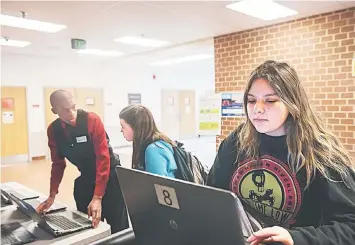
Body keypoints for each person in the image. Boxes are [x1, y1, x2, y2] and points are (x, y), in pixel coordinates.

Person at [207, 60, 355, 245]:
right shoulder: (237, 140)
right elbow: (212, 194)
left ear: (292, 102)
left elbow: (350, 227)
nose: (257, 109)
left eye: (270, 100)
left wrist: (295, 238)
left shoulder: (320, 152)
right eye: (251, 100)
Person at [36, 90, 129, 234]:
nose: (72, 113)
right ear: (55, 110)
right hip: (87, 176)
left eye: (73, 107)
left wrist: (98, 197)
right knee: (87, 220)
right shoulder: (53, 130)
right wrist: (52, 195)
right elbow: (58, 164)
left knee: (117, 226)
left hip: (110, 174)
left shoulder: (92, 120)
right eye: (66, 110)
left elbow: (103, 159)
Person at [119, 104, 177, 178]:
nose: (121, 130)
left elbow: (158, 186)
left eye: (123, 126)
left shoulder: (154, 150)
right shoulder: (153, 144)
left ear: (135, 127)